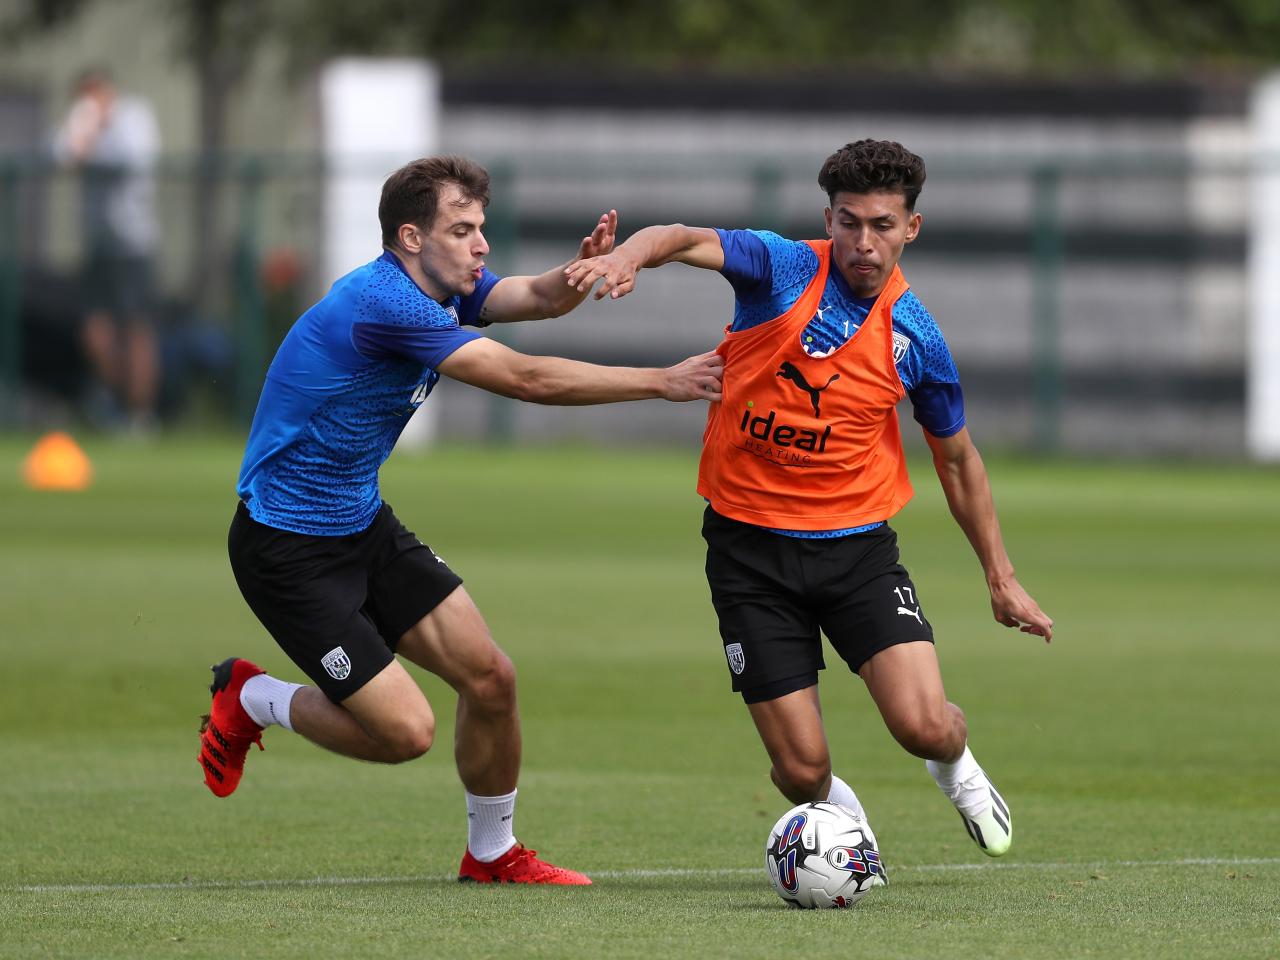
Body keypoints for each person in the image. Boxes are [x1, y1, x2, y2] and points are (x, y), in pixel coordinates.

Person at [198, 155, 724, 886]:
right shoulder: (386, 305)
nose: (480, 245)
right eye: (463, 229)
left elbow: (534, 299)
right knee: (405, 734)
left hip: (360, 523)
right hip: (286, 547)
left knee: (491, 679)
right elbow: (525, 377)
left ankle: (491, 854)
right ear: (411, 238)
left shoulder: (441, 287)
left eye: (480, 228)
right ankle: (250, 697)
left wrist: (578, 277)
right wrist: (660, 381)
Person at [564, 139, 1053, 862]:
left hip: (857, 553)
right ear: (829, 217)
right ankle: (845, 831)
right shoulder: (783, 268)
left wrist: (1000, 576)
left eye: (882, 225)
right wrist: (630, 256)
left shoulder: (917, 337)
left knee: (926, 726)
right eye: (849, 222)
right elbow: (684, 237)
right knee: (801, 773)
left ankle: (959, 771)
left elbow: (957, 459)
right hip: (748, 553)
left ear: (910, 229)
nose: (863, 242)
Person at [53, 68, 161, 433]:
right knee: (94, 331)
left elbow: (131, 161)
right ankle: (115, 402)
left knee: (136, 328)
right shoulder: (84, 123)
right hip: (97, 245)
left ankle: (140, 414)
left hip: (133, 242)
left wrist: (96, 137)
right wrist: (83, 128)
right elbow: (62, 153)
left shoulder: (134, 118)